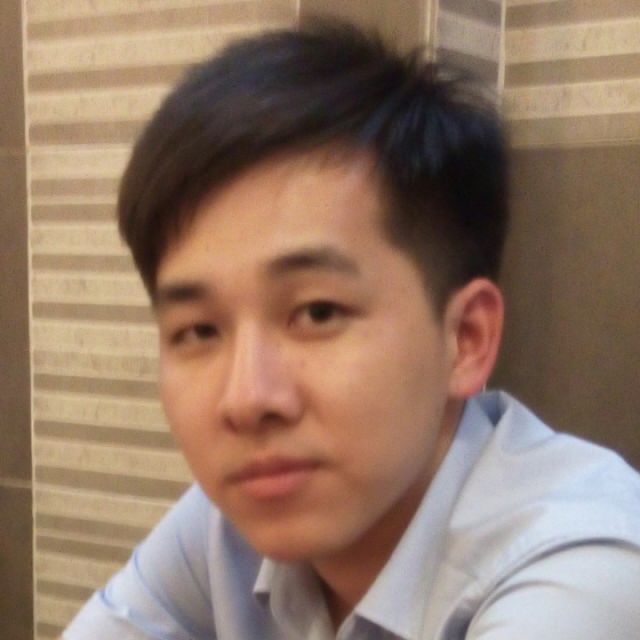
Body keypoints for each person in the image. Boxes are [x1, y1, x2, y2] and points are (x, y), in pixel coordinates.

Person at [62, 20, 640, 640]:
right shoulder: (227, 524)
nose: (247, 400)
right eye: (200, 330)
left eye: (317, 313)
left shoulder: (584, 569)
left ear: (465, 339)